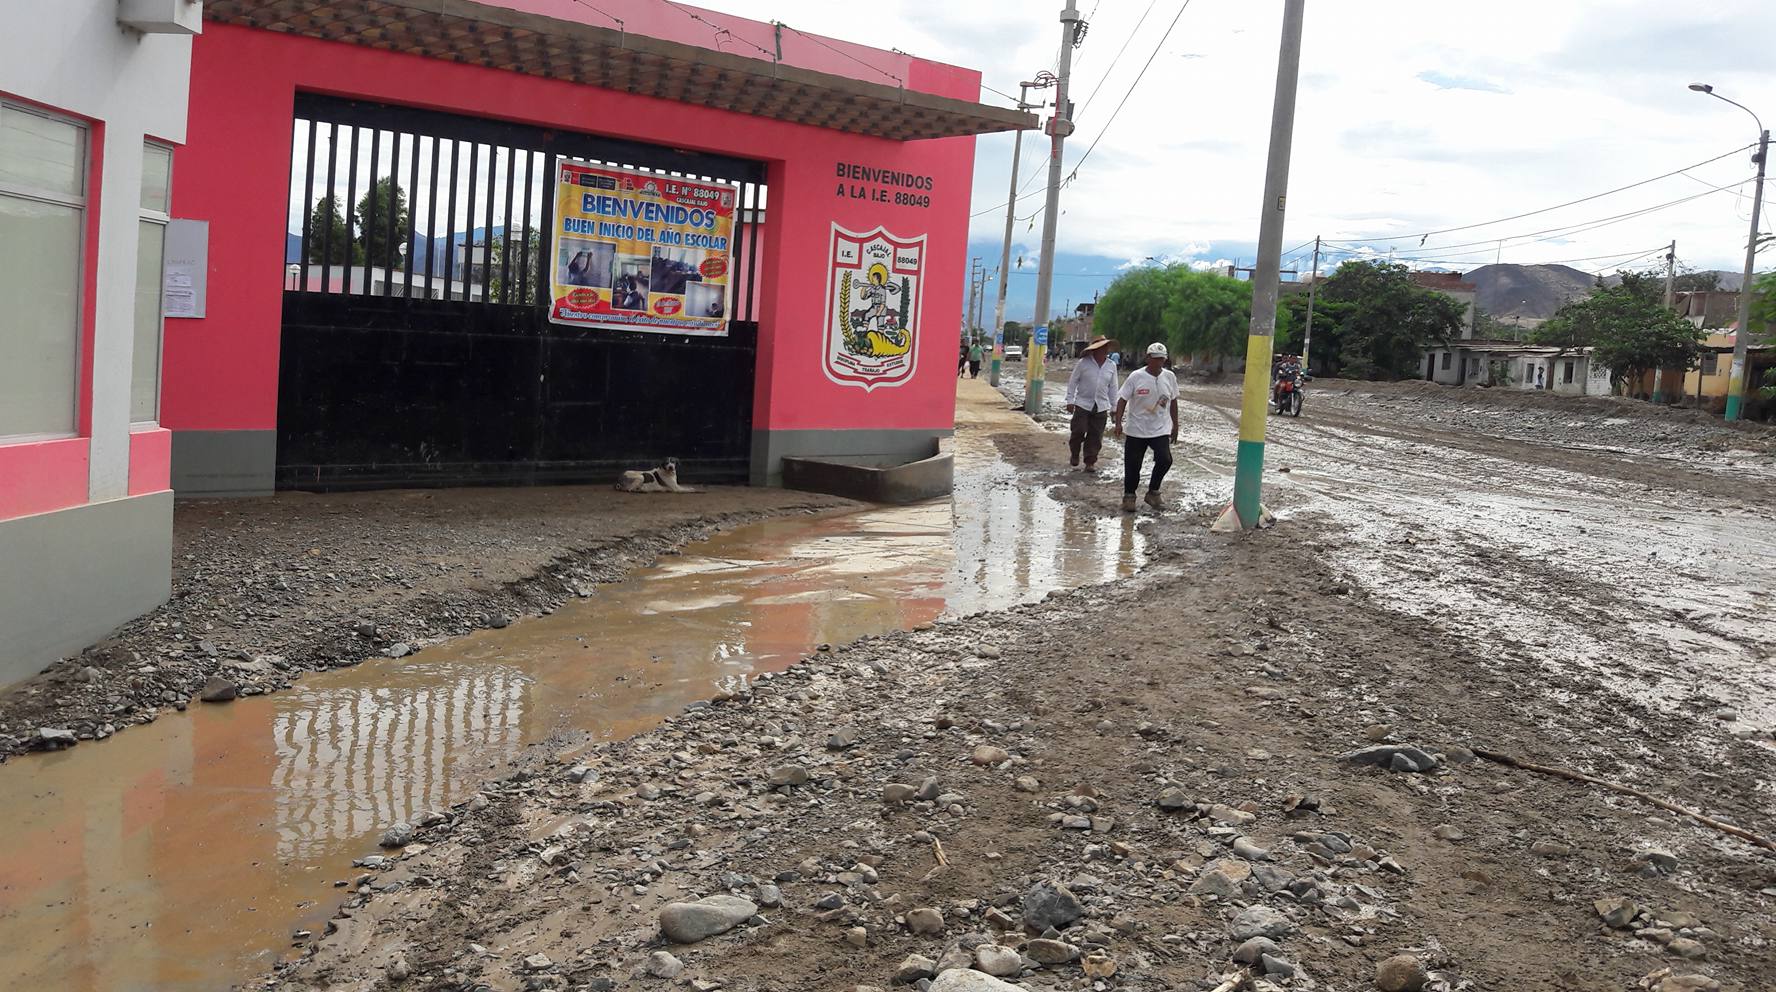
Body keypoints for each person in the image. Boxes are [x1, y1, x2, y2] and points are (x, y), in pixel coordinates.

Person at [1113, 342, 1180, 513]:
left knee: (1165, 459)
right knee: (1133, 465)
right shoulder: (1136, 377)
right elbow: (1122, 399)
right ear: (1148, 358)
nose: (1158, 363)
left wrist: (1175, 424)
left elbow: (1173, 401)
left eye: (1161, 359)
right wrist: (1118, 422)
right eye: (1155, 359)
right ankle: (1129, 497)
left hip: (1160, 428)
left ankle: (1153, 492)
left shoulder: (1169, 377)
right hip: (1136, 428)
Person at [1064, 336, 1118, 473]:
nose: (1105, 350)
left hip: (1101, 405)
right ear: (1095, 349)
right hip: (1083, 403)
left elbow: (1113, 387)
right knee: (1078, 431)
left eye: (1106, 347)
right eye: (1102, 347)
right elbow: (1073, 382)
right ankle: (1075, 453)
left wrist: (1114, 407)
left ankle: (1090, 461)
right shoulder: (1083, 363)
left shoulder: (1111, 365)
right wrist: (1070, 401)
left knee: (1096, 435)